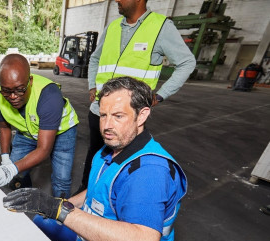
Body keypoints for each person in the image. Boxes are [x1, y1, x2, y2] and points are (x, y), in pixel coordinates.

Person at [3, 77, 187, 241]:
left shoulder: (149, 173)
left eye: (118, 116)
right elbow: (97, 191)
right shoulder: (113, 149)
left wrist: (60, 211)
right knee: (44, 223)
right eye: (103, 115)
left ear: (142, 115)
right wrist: (56, 205)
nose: (107, 126)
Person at [77, 0, 195, 193]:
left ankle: (110, 196)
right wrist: (92, 85)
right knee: (95, 153)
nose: (117, 0)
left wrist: (162, 94)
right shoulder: (113, 27)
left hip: (127, 117)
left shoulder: (161, 27)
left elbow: (187, 62)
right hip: (99, 110)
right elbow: (96, 58)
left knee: (122, 158)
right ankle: (86, 191)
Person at [0, 54, 79, 198]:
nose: (13, 96)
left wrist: (13, 168)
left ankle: (59, 217)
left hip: (62, 133)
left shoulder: (49, 95)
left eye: (19, 89)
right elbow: (4, 127)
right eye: (7, 90)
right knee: (15, 175)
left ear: (30, 81)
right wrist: (5, 158)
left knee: (61, 180)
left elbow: (43, 150)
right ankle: (24, 200)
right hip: (28, 132)